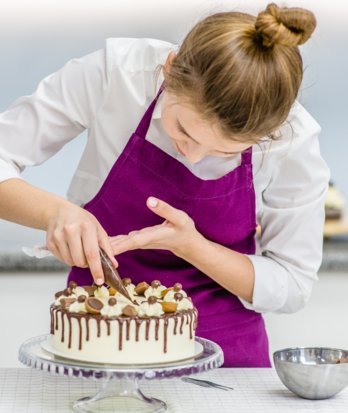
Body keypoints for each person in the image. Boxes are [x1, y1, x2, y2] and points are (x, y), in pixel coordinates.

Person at [0, 3, 330, 367]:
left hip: (228, 361)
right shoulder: (118, 73)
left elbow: (293, 284)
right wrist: (55, 212)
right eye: (183, 130)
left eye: (222, 151)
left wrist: (193, 248)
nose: (192, 156)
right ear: (170, 70)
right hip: (99, 338)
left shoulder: (293, 139)